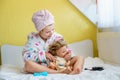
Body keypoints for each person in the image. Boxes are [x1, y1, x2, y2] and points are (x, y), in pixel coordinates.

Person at [22, 9, 72, 74]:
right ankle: (57, 72)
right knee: (28, 65)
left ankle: (73, 70)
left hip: (58, 64)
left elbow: (65, 48)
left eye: (53, 29)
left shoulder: (56, 37)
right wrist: (43, 55)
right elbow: (26, 56)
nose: (51, 33)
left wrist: (67, 55)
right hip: (40, 67)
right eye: (47, 32)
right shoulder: (33, 39)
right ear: (40, 31)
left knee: (79, 58)